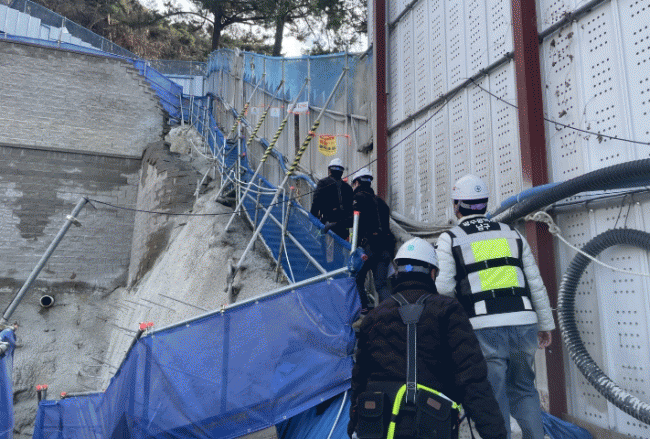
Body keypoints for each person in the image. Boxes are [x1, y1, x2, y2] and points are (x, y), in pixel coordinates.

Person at [348, 238, 507, 439]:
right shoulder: (449, 310)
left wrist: (353, 425)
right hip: (431, 426)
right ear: (432, 273)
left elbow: (359, 380)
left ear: (396, 273)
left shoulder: (374, 317)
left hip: (378, 428)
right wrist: (495, 434)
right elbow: (473, 380)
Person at [435, 174, 555, 439]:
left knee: (493, 395)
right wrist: (545, 324)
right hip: (524, 324)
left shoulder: (450, 238)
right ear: (486, 203)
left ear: (456, 206)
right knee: (524, 390)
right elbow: (535, 282)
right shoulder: (511, 233)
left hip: (484, 328)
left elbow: (443, 288)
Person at [351, 168, 395, 310]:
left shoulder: (357, 198)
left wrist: (332, 224)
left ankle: (363, 309)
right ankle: (391, 311)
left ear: (357, 182)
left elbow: (351, 220)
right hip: (384, 249)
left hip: (367, 249)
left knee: (356, 279)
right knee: (381, 285)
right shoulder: (381, 202)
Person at [310, 158, 354, 240]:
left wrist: (312, 219)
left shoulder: (323, 183)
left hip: (327, 225)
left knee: (325, 246)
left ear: (329, 170)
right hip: (343, 228)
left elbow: (316, 203)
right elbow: (350, 209)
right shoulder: (348, 188)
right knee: (341, 247)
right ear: (342, 172)